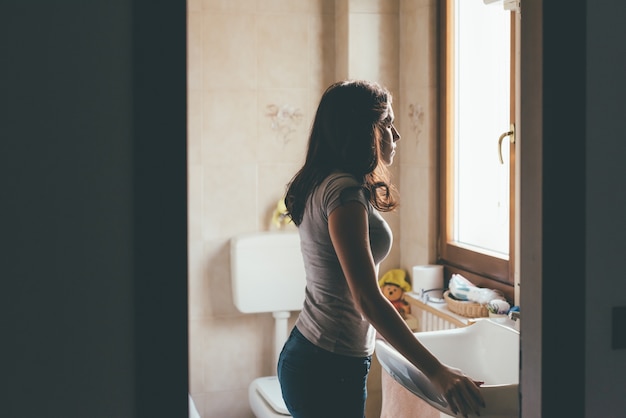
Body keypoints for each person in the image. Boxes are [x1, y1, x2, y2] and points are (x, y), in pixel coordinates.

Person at [277, 80, 485, 418]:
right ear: (361, 131)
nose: (396, 135)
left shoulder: (326, 181)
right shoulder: (344, 192)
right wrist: (438, 373)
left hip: (318, 355)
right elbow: (367, 298)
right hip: (327, 365)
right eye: (387, 124)